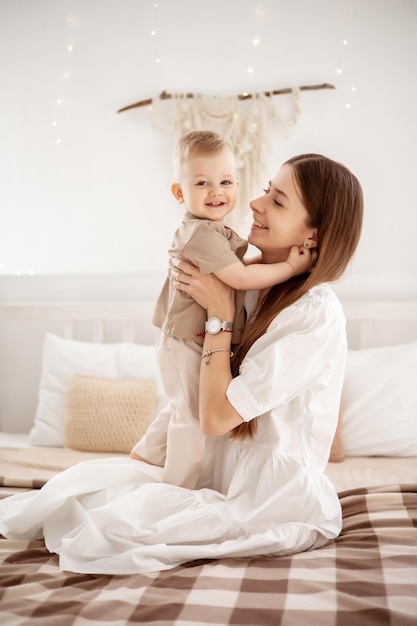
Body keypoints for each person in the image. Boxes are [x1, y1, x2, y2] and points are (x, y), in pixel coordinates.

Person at [0, 152, 363, 576]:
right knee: (77, 492)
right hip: (215, 476)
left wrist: (219, 317)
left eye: (278, 201)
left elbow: (216, 417)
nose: (254, 204)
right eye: (266, 189)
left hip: (270, 499)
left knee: (105, 525)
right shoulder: (249, 282)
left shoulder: (313, 313)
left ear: (313, 236)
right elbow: (191, 382)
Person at [135, 130, 312, 489]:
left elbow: (239, 277)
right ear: (180, 193)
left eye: (226, 181)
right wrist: (292, 268)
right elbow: (241, 277)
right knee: (189, 417)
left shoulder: (215, 231)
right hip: (185, 342)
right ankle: (175, 488)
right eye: (203, 182)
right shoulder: (200, 233)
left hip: (192, 341)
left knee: (178, 407)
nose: (216, 191)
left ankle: (144, 460)